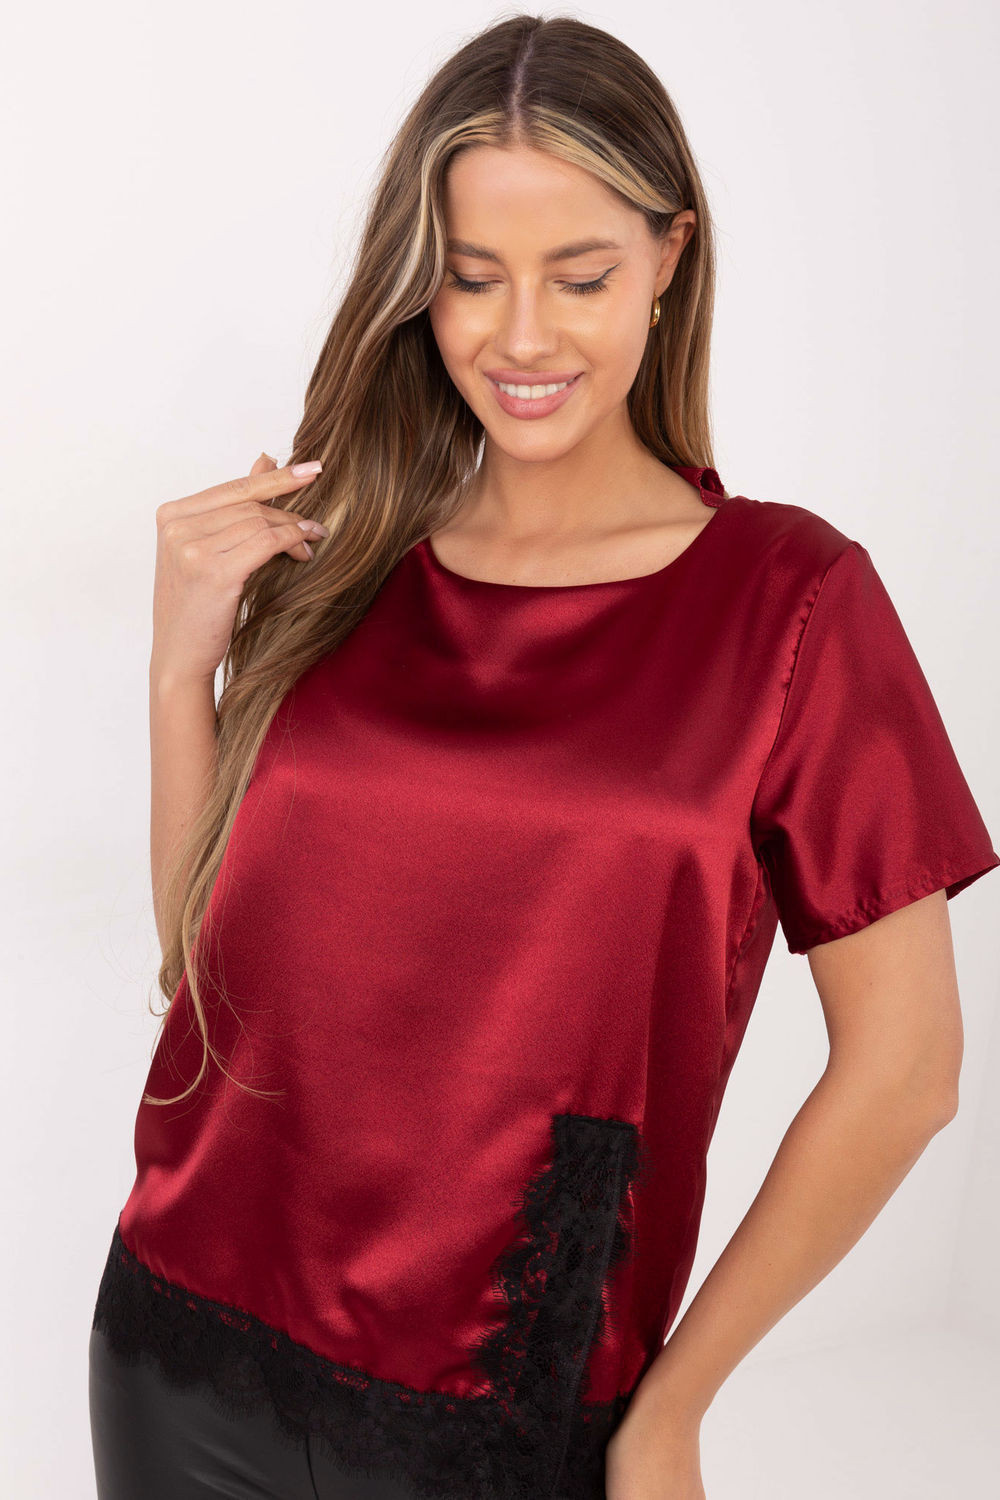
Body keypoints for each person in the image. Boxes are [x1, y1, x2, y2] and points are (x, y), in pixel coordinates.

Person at [88, 13, 999, 1500]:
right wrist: (180, 664)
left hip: (505, 1417)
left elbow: (908, 1070)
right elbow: (214, 977)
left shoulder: (789, 602)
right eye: (471, 276)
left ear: (669, 256)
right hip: (182, 1350)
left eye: (579, 277)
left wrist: (675, 1406)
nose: (521, 337)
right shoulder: (349, 564)